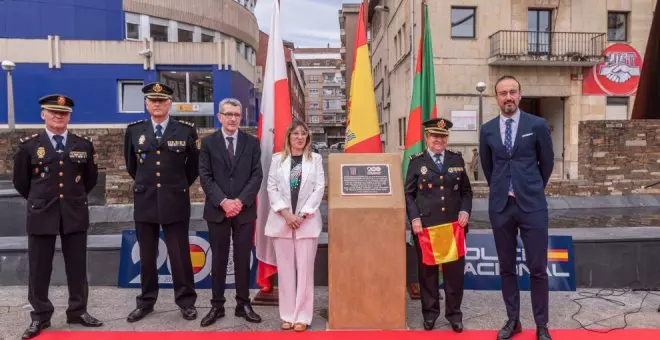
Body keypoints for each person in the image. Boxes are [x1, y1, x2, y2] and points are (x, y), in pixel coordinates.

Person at [13, 94, 102, 339]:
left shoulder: (82, 145)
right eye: (53, 112)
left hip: (73, 211)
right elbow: (21, 182)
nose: (58, 116)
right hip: (42, 212)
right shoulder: (29, 146)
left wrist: (73, 197)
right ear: (43, 114)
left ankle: (77, 310)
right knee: (39, 268)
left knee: (77, 266)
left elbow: (90, 179)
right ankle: (40, 315)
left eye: (63, 113)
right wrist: (40, 199)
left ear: (69, 116)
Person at [479, 75, 554, 340]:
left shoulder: (538, 125)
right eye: (503, 93)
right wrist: (503, 189)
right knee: (507, 267)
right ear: (496, 97)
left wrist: (530, 187)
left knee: (537, 267)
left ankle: (541, 325)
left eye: (512, 92)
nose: (508, 97)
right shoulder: (487, 129)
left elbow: (547, 164)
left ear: (519, 95)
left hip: (532, 205)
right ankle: (513, 320)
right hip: (501, 206)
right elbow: (488, 168)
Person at [123, 82, 200, 323]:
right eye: (152, 100)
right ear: (146, 104)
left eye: (162, 100)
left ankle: (186, 301)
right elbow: (131, 165)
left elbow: (193, 167)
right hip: (145, 200)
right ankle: (146, 301)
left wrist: (176, 186)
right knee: (147, 255)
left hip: (175, 200)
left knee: (179, 255)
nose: (157, 104)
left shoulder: (186, 130)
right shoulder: (134, 131)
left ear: (170, 104)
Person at [198, 98, 263, 327]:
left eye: (237, 114)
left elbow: (257, 175)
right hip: (218, 211)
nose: (233, 118)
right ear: (220, 116)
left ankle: (243, 303)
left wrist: (239, 202)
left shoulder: (252, 143)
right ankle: (217, 305)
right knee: (219, 259)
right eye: (229, 114)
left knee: (243, 258)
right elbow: (205, 176)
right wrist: (224, 202)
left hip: (244, 211)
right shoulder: (208, 143)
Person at [404, 118, 473, 332]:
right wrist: (414, 218)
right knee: (428, 274)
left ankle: (454, 314)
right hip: (426, 227)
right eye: (435, 136)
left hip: (453, 226)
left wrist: (464, 210)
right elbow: (409, 194)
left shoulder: (456, 160)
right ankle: (430, 313)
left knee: (454, 274)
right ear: (427, 137)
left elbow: (466, 192)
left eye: (443, 137)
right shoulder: (417, 161)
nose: (439, 140)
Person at [264, 119, 325, 332]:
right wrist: (287, 214)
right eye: (295, 133)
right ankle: (288, 315)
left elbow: (319, 188)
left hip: (306, 224)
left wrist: (302, 215)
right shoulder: (277, 159)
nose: (299, 137)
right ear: (288, 136)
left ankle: (303, 316)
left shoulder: (315, 159)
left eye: (303, 134)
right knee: (286, 271)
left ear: (308, 137)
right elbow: (271, 187)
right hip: (282, 222)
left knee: (305, 271)